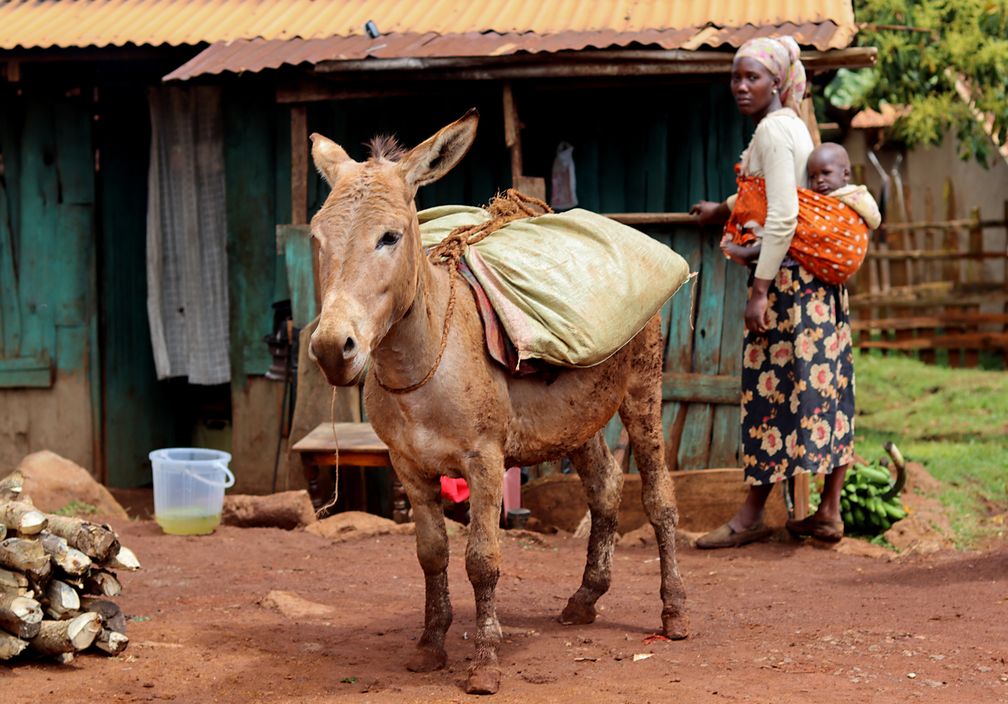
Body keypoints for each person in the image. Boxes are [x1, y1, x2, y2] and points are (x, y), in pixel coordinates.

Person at [688, 36, 857, 547]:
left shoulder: (775, 130)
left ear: (778, 83)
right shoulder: (788, 129)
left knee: (774, 393)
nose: (741, 86)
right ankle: (822, 512)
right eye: (736, 77)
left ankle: (755, 517)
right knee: (817, 391)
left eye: (752, 77)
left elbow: (783, 215)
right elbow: (769, 193)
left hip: (789, 286)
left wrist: (759, 290)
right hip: (812, 287)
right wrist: (725, 209)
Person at [720, 142, 882, 284]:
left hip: (844, 255)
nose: (819, 180)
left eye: (826, 173)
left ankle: (749, 253)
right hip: (828, 265)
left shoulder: (854, 195)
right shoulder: (813, 202)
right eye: (813, 176)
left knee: (785, 231)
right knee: (789, 232)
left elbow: (874, 218)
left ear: (845, 174)